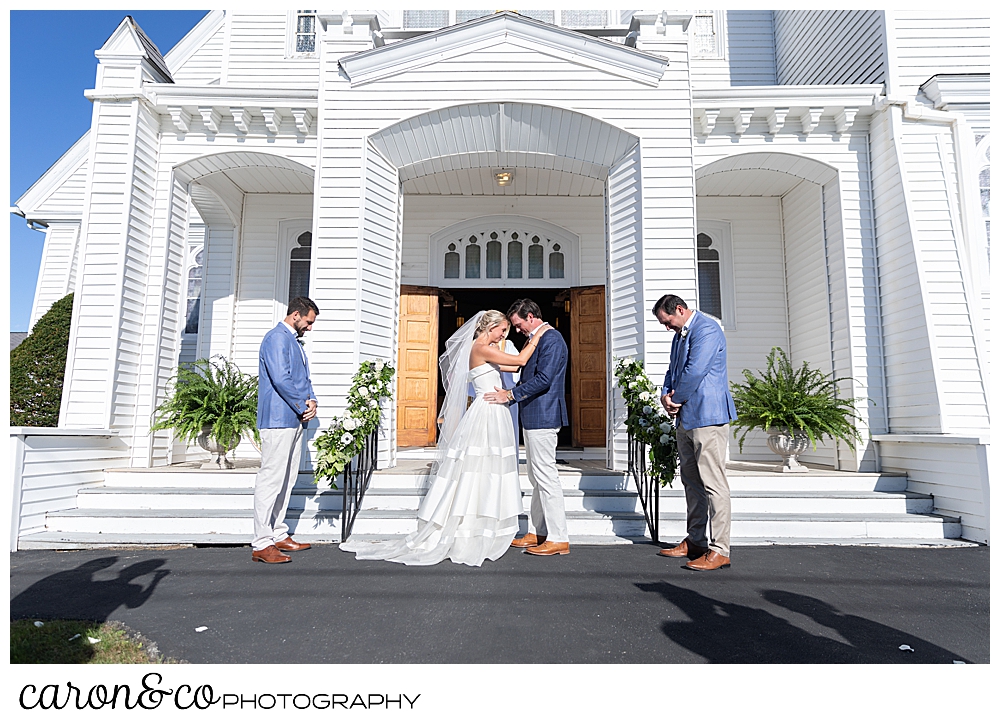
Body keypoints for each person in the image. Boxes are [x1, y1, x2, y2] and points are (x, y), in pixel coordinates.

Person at [341, 311, 549, 567]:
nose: (503, 336)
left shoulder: (487, 349)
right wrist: (538, 335)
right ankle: (469, 526)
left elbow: (512, 366)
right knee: (477, 469)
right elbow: (518, 360)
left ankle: (486, 523)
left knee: (488, 469)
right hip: (486, 415)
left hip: (495, 413)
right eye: (502, 330)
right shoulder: (482, 347)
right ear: (491, 327)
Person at [653, 294, 737, 571]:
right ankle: (697, 540)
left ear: (679, 309)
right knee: (691, 481)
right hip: (686, 417)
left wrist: (675, 399)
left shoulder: (708, 329)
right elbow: (672, 370)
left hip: (708, 415)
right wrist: (665, 394)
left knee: (713, 483)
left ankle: (720, 549)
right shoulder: (680, 335)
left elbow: (695, 370)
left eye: (668, 322)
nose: (668, 328)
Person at [485, 299, 570, 556]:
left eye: (519, 324)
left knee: (546, 477)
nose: (517, 330)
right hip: (533, 416)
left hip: (544, 416)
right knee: (536, 477)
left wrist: (510, 395)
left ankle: (558, 537)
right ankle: (538, 531)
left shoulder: (551, 340)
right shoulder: (536, 339)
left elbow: (544, 379)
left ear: (531, 316)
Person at [251, 296, 319, 564]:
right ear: (295, 315)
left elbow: (303, 377)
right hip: (278, 419)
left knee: (287, 479)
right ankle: (261, 542)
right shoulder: (277, 338)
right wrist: (302, 404)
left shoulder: (293, 340)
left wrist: (312, 400)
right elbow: (280, 378)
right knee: (271, 479)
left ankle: (278, 533)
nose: (310, 328)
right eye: (308, 322)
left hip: (295, 417)